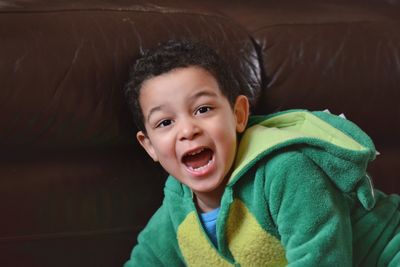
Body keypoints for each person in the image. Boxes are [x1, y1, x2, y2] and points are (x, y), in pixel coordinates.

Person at [123, 39, 400, 266]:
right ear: (149, 146)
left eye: (203, 109)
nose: (187, 130)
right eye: (165, 122)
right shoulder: (175, 210)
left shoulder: (286, 170)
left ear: (239, 115)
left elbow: (321, 260)